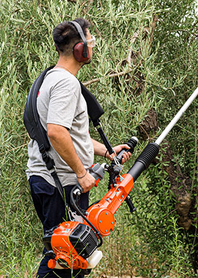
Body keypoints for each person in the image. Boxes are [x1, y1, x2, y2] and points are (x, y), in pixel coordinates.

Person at [26, 18, 131, 278]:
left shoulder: (49, 78)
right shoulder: (66, 83)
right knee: (65, 257)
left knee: (67, 255)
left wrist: (106, 152)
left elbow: (71, 134)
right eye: (90, 41)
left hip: (49, 180)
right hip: (62, 183)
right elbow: (56, 132)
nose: (93, 46)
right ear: (80, 50)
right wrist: (82, 174)